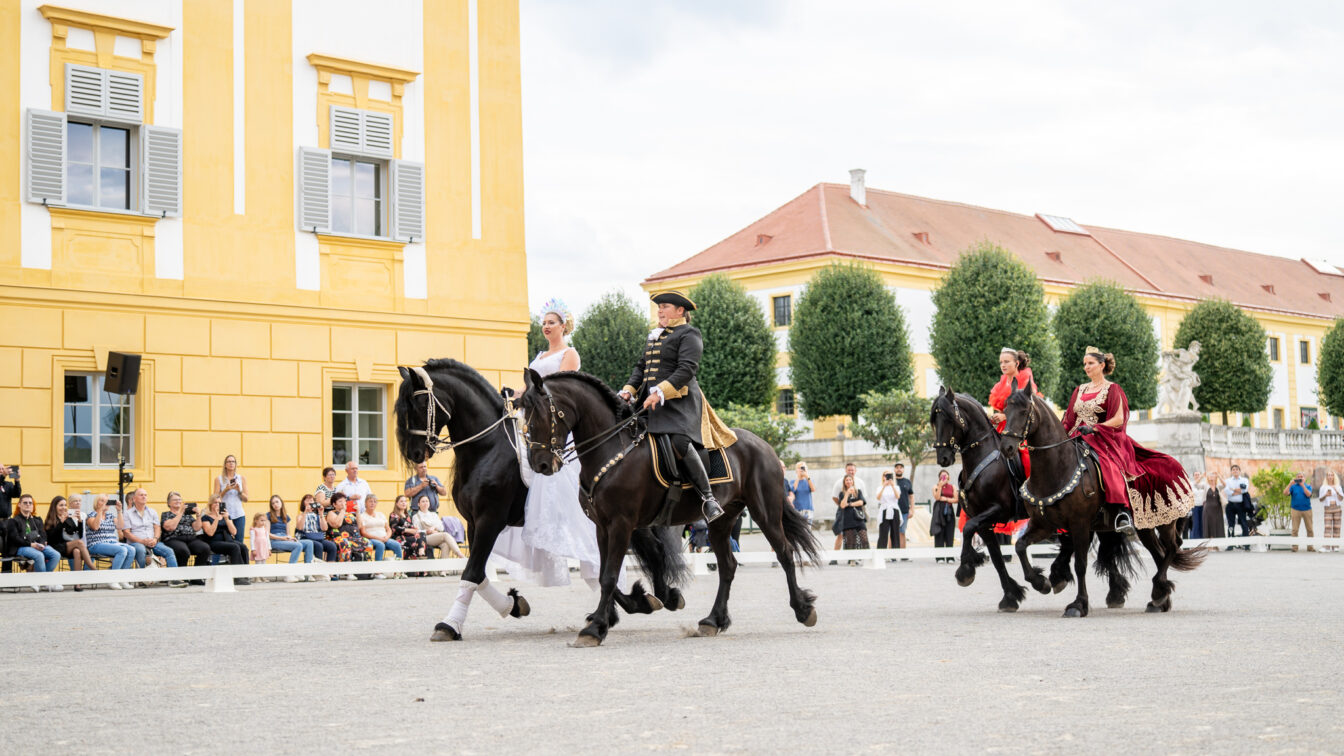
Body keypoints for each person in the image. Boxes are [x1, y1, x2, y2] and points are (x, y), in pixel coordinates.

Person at [493, 297, 609, 589]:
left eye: (551, 322)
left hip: (556, 425)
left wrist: (530, 396)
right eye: (543, 323)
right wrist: (512, 396)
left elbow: (559, 387)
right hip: (535, 421)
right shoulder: (539, 356)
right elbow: (529, 388)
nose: (545, 327)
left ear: (563, 326)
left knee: (563, 492)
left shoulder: (570, 353)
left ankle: (593, 558)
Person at [618, 290, 736, 523]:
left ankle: (708, 498)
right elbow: (641, 368)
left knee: (679, 441)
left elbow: (687, 369)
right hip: (649, 404)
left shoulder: (689, 333)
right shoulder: (655, 336)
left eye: (665, 307)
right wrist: (628, 390)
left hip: (679, 404)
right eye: (659, 307)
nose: (660, 311)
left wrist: (659, 391)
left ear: (680, 310)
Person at [1057, 347, 1195, 537]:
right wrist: (1058, 439)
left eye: (1090, 363)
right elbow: (1069, 420)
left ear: (1102, 365)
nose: (1086, 367)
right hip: (1078, 438)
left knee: (1108, 465)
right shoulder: (1079, 390)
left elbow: (1118, 419)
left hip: (1104, 439)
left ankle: (1121, 512)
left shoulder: (1112, 389)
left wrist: (1095, 428)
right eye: (1085, 364)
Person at [5, 494, 61, 589]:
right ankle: (45, 583)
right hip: (21, 547)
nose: (28, 504)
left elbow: (43, 535)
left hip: (37, 546)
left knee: (56, 555)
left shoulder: (37, 520)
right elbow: (15, 539)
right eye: (25, 503)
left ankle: (40, 581)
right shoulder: (13, 521)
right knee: (39, 555)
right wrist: (31, 545)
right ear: (19, 505)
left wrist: (42, 544)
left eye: (30, 503)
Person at [121, 487, 181, 574]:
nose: (144, 497)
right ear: (134, 499)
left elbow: (157, 528)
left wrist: (155, 539)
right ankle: (142, 577)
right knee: (141, 550)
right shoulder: (127, 513)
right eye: (141, 495)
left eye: (145, 495)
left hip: (153, 542)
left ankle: (174, 577)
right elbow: (126, 533)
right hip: (136, 543)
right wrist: (142, 541)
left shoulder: (152, 512)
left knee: (169, 551)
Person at [159, 493, 213, 585]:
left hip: (190, 538)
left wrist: (198, 515)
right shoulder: (166, 514)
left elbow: (197, 528)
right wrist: (180, 513)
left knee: (204, 548)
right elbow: (170, 527)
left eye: (179, 500)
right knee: (183, 551)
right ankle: (181, 577)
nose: (178, 501)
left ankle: (196, 577)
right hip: (173, 538)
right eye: (175, 500)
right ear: (169, 503)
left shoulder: (187, 514)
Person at [84, 494, 135, 588]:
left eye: (107, 501)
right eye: (102, 501)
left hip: (112, 543)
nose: (105, 503)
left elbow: (120, 526)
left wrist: (119, 511)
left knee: (132, 549)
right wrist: (100, 510)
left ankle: (122, 578)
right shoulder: (91, 515)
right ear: (97, 503)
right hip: (96, 544)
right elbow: (95, 527)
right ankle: (112, 579)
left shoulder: (110, 516)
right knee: (122, 550)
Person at [200, 494, 250, 585]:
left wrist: (226, 518)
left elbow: (234, 532)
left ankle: (245, 574)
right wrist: (216, 518)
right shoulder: (205, 517)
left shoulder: (226, 516)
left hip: (228, 540)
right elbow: (210, 533)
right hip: (214, 542)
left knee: (243, 547)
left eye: (219, 503)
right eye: (215, 503)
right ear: (211, 504)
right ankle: (237, 577)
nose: (218, 505)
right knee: (235, 547)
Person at [44, 495, 92, 583]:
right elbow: (51, 538)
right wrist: (61, 522)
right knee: (79, 543)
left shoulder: (68, 518)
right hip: (55, 547)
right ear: (55, 507)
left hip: (66, 546)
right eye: (61, 505)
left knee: (77, 551)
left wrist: (80, 521)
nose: (64, 507)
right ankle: (93, 569)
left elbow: (79, 535)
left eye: (65, 505)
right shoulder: (51, 519)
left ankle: (77, 583)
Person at [266, 495, 314, 578]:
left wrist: (291, 538)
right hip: (274, 540)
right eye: (273, 503)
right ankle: (290, 574)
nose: (275, 504)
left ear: (281, 503)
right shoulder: (268, 516)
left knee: (309, 543)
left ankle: (308, 574)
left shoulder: (286, 516)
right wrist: (282, 538)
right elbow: (267, 534)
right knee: (298, 546)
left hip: (285, 539)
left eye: (277, 502)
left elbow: (288, 534)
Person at [325, 491, 374, 570]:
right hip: (339, 538)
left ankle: (367, 570)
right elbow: (336, 524)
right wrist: (342, 511)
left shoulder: (350, 514)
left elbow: (359, 526)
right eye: (340, 501)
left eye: (344, 501)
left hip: (354, 538)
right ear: (334, 504)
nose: (343, 503)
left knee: (368, 542)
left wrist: (357, 513)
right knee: (345, 543)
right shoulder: (332, 513)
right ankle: (346, 570)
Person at [212, 455, 249, 552]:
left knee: (239, 542)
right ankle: (217, 561)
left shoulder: (241, 478)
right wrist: (225, 490)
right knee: (222, 540)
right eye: (229, 461)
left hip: (238, 513)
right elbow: (215, 499)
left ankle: (238, 561)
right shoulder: (219, 479)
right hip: (223, 513)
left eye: (233, 461)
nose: (231, 463)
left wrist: (239, 491)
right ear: (225, 464)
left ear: (236, 464)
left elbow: (246, 499)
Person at [359, 494, 403, 572]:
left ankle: (399, 570)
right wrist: (378, 538)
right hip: (371, 539)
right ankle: (378, 571)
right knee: (380, 545)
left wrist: (387, 537)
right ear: (365, 503)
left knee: (397, 545)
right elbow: (363, 532)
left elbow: (389, 529)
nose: (372, 503)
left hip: (384, 538)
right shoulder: (362, 516)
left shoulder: (381, 514)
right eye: (370, 501)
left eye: (374, 502)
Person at [414, 495, 464, 559]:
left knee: (446, 544)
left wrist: (434, 528)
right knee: (445, 535)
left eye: (427, 501)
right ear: (418, 504)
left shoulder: (434, 515)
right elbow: (417, 531)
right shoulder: (416, 516)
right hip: (425, 538)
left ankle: (444, 565)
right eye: (423, 501)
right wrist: (427, 531)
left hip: (436, 536)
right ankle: (459, 554)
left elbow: (441, 527)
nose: (425, 503)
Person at [296, 493, 340, 566]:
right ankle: (318, 569)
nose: (310, 502)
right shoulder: (300, 516)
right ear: (303, 503)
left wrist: (321, 514)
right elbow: (300, 527)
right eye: (307, 500)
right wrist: (305, 512)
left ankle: (330, 569)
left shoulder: (317, 516)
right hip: (306, 538)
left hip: (317, 537)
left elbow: (325, 528)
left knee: (332, 546)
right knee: (318, 546)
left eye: (311, 500)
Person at [834, 474, 869, 553]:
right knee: (850, 542)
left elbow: (861, 502)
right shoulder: (842, 494)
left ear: (853, 481)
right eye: (847, 480)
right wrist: (847, 493)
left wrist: (849, 504)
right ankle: (851, 558)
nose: (848, 481)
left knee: (864, 539)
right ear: (844, 482)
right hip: (848, 520)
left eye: (850, 480)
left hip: (859, 519)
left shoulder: (858, 491)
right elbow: (842, 505)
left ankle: (865, 556)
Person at [930, 471, 958, 561]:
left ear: (948, 476)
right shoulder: (936, 486)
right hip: (939, 511)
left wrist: (946, 499)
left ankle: (950, 557)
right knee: (939, 533)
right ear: (939, 477)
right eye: (942, 475)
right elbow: (937, 497)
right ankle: (940, 557)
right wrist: (940, 486)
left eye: (946, 475)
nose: (944, 476)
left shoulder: (953, 486)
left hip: (949, 510)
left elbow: (956, 499)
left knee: (950, 533)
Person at [390, 494, 427, 560]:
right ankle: (419, 555)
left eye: (405, 501)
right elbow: (394, 528)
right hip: (398, 537)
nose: (404, 503)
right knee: (415, 540)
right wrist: (408, 530)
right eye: (401, 501)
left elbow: (411, 526)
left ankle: (421, 551)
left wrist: (414, 529)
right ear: (396, 504)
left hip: (408, 537)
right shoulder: (394, 515)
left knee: (422, 534)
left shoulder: (407, 515)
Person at [1285, 472, 1314, 552]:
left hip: (1307, 509)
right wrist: (1290, 484)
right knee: (1295, 530)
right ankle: (1294, 547)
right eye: (1298, 477)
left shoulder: (1308, 486)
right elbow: (1285, 493)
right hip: (1295, 509)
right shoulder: (1293, 487)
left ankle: (1310, 547)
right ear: (1296, 478)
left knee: (1310, 529)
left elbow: (1308, 494)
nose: (1300, 478)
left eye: (1301, 477)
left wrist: (1302, 485)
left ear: (1304, 478)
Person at [1194, 471, 1225, 544]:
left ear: (1215, 477)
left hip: (1218, 509)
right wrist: (1202, 476)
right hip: (1208, 509)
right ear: (1208, 477)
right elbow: (1195, 484)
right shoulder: (1205, 485)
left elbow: (1225, 485)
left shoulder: (1218, 486)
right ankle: (1210, 544)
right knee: (1209, 525)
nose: (1211, 477)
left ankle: (1216, 544)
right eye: (1210, 476)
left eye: (1213, 475)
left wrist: (1219, 476)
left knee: (1217, 525)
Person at [1223, 464, 1252, 541]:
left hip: (1241, 505)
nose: (1235, 471)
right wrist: (1239, 491)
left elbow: (1245, 490)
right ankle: (1230, 543)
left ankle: (1246, 543)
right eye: (1233, 469)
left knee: (1243, 523)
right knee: (1230, 524)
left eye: (1237, 469)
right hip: (1231, 505)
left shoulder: (1244, 480)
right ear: (1231, 472)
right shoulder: (1227, 481)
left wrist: (1232, 489)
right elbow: (1227, 491)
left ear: (1239, 471)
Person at [874, 470, 902, 551]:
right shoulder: (879, 487)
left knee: (895, 532)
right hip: (884, 509)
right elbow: (878, 498)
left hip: (894, 509)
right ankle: (881, 552)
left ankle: (895, 553)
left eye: (889, 475)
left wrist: (892, 486)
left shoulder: (896, 487)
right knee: (883, 532)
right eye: (885, 475)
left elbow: (897, 497)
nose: (887, 477)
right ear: (883, 477)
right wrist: (884, 486)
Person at [893, 463, 914, 550]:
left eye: (901, 467)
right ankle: (891, 554)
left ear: (903, 470)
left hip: (904, 511)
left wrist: (912, 509)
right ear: (894, 469)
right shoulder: (892, 481)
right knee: (892, 533)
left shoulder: (907, 481)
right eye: (897, 467)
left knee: (902, 532)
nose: (899, 469)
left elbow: (911, 497)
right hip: (893, 511)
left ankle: (903, 554)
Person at [1320, 470, 1342, 551]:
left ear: (1334, 477)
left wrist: (1336, 491)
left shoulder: (1338, 486)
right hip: (1328, 508)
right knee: (1327, 527)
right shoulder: (1323, 487)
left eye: (1331, 475)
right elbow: (1320, 499)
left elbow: (1341, 498)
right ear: (1326, 477)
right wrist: (1325, 495)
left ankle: (1335, 546)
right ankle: (1326, 546)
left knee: (1337, 527)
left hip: (1337, 508)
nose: (1330, 477)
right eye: (1328, 475)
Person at [790, 461, 815, 526]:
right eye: (799, 468)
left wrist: (807, 476)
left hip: (808, 509)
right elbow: (793, 490)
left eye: (803, 467)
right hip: (797, 509)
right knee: (798, 529)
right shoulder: (793, 482)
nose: (801, 469)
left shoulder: (809, 481)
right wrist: (798, 477)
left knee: (807, 529)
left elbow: (813, 489)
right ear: (796, 470)